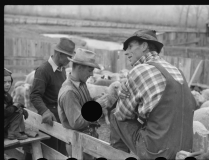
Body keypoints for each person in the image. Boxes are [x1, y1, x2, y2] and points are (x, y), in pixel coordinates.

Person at [109, 29, 197, 160]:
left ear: (144, 46)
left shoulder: (139, 70)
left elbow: (123, 114)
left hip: (157, 152)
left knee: (114, 114)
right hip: (185, 150)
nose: (126, 52)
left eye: (130, 46)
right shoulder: (176, 70)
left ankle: (117, 156)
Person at [30, 38, 75, 156]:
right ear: (60, 54)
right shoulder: (43, 70)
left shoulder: (62, 70)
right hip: (49, 121)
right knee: (50, 153)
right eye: (68, 58)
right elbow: (35, 95)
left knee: (62, 152)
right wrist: (45, 111)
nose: (69, 61)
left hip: (60, 118)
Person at [58, 48, 101, 159]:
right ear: (79, 67)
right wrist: (97, 106)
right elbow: (77, 123)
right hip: (78, 145)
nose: (92, 74)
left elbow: (85, 106)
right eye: (90, 70)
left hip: (87, 141)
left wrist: (96, 100)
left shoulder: (81, 84)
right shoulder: (69, 92)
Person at [4, 68, 29, 140]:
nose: (8, 84)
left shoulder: (6, 94)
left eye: (9, 82)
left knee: (19, 111)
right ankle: (13, 133)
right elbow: (5, 112)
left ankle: (13, 132)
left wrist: (20, 108)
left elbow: (11, 105)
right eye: (4, 82)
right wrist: (15, 107)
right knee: (17, 114)